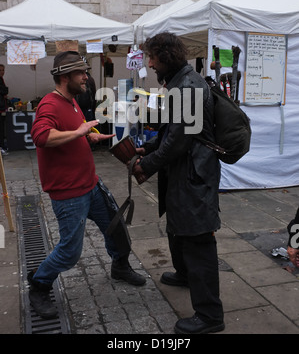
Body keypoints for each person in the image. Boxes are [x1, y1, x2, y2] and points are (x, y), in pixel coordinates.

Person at [29, 51, 146, 320]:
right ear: (65, 76)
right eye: (81, 73)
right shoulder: (49, 104)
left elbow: (75, 128)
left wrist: (88, 137)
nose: (86, 77)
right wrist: (80, 132)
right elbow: (41, 135)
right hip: (69, 193)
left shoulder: (72, 101)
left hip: (91, 184)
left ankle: (120, 266)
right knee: (70, 252)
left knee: (116, 229)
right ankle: (39, 284)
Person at [132, 32, 224, 334]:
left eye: (152, 57)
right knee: (180, 230)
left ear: (166, 56)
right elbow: (173, 130)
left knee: (198, 240)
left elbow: (179, 142)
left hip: (194, 176)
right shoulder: (180, 82)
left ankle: (210, 316)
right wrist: (150, 145)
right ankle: (185, 275)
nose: (150, 63)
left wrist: (147, 164)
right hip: (185, 174)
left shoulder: (187, 86)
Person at [0, 64, 8, 155]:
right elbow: (4, 91)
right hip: (0, 108)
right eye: (0, 70)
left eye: (3, 70)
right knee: (1, 130)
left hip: (2, 107)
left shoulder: (2, 79)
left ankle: (2, 146)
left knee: (2, 129)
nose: (2, 72)